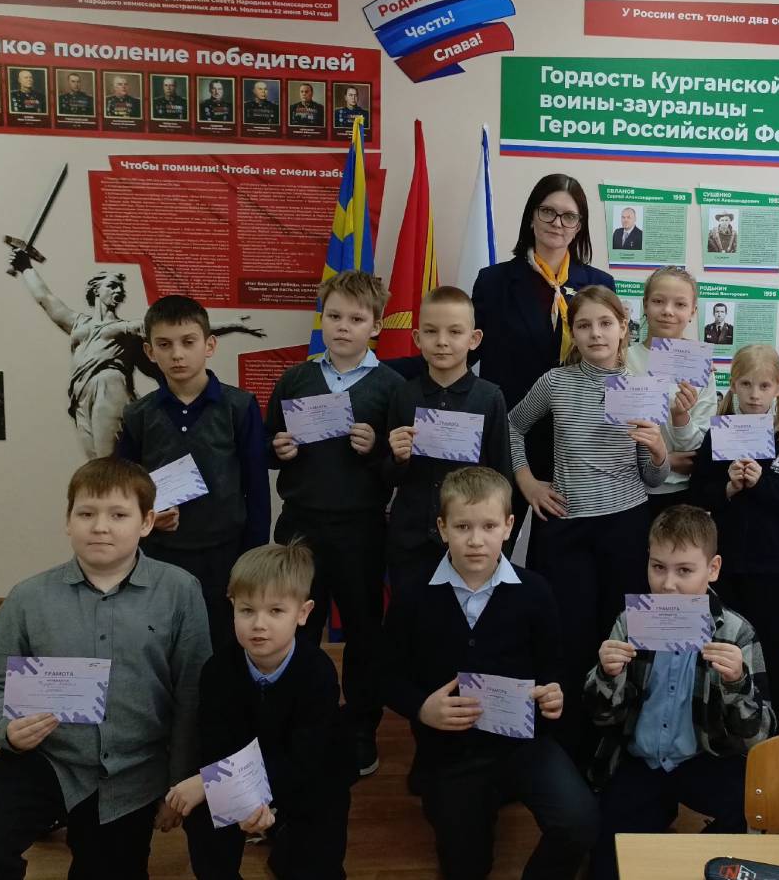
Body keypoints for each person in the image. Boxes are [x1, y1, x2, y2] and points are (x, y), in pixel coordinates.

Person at [0, 457, 212, 878]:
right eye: (86, 514)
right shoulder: (28, 598)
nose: (100, 527)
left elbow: (191, 695)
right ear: (68, 521)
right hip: (46, 759)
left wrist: (177, 783)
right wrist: (7, 729)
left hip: (133, 772)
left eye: (118, 515)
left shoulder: (180, 591)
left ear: (147, 522)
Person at [381, 466, 597, 880]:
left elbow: (555, 669)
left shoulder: (535, 591)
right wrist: (422, 708)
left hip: (523, 744)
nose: (476, 540)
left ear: (509, 526)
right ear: (442, 528)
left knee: (579, 823)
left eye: (489, 526)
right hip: (451, 751)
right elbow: (385, 676)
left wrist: (555, 694)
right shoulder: (413, 594)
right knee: (465, 866)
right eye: (463, 526)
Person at [509, 285, 670, 752]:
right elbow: (512, 426)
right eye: (584, 325)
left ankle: (620, 739)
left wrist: (659, 450)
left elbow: (653, 477)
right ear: (572, 332)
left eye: (605, 323)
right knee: (570, 637)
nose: (595, 333)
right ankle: (571, 745)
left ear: (623, 328)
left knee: (623, 634)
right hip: (567, 528)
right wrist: (527, 482)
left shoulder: (643, 387)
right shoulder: (555, 383)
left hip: (626, 524)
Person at [586, 505, 774, 880]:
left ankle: (693, 856)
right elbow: (600, 717)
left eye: (684, 571)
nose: (668, 584)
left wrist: (737, 682)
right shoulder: (630, 622)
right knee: (607, 864)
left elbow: (759, 736)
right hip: (641, 759)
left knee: (752, 815)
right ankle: (654, 821)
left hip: (705, 757)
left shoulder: (735, 632)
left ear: (713, 569)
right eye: (658, 567)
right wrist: (606, 675)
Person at [265, 270, 400, 776]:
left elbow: (399, 467)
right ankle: (300, 721)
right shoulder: (296, 379)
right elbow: (268, 445)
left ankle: (361, 728)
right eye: (335, 316)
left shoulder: (390, 386)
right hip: (300, 525)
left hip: (361, 529)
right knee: (296, 627)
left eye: (356, 319)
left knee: (364, 631)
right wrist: (279, 449)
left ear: (376, 326)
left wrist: (376, 450)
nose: (343, 327)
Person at [167, 543, 355, 878]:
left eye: (276, 611)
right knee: (203, 815)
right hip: (237, 772)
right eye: (247, 610)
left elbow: (305, 759)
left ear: (303, 613)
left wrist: (229, 788)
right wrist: (240, 797)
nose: (259, 624)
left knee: (317, 850)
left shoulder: (318, 672)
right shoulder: (217, 671)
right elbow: (216, 746)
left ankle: (286, 843)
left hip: (308, 777)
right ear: (232, 608)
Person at [116, 295, 271, 652]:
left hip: (226, 552)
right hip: (160, 552)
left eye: (188, 342)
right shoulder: (138, 414)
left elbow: (257, 489)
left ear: (209, 345)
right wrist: (147, 520)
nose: (177, 354)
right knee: (163, 640)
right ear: (149, 351)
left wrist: (253, 558)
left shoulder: (240, 406)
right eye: (164, 345)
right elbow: (125, 489)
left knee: (222, 642)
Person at [471, 173, 614, 539]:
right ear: (531, 217)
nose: (557, 223)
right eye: (548, 212)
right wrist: (379, 370)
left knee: (560, 557)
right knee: (492, 546)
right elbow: (465, 351)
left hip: (576, 443)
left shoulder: (599, 284)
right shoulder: (494, 281)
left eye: (569, 216)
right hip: (510, 437)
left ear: (579, 226)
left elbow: (613, 363)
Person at [7, 254, 264, 458]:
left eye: (120, 288)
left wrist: (232, 324)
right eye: (112, 286)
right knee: (95, 465)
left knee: (111, 464)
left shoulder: (127, 328)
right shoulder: (77, 323)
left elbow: (180, 328)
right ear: (96, 290)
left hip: (110, 387)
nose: (118, 291)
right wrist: (25, 266)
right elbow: (45, 298)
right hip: (81, 394)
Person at [689, 344, 779, 732]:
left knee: (769, 649)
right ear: (733, 385)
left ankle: (773, 732)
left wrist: (761, 483)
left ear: (778, 387)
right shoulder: (719, 432)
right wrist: (727, 488)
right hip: (725, 566)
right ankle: (725, 726)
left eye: (764, 386)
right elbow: (699, 493)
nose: (755, 395)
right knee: (725, 646)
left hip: (770, 568)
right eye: (746, 384)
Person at [381, 286, 513, 593]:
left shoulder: (489, 398)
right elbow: (386, 476)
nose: (442, 341)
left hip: (469, 543)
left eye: (454, 332)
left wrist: (498, 545)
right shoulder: (403, 395)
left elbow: (502, 476)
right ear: (417, 339)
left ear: (474, 339)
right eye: (431, 331)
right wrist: (397, 458)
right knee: (409, 615)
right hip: (410, 540)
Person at [625, 266, 716, 517]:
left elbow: (698, 448)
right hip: (629, 491)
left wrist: (680, 417)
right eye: (658, 301)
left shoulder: (700, 366)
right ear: (645, 304)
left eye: (680, 304)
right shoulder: (622, 360)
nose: (667, 311)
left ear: (693, 311)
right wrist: (665, 459)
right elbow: (611, 436)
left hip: (684, 492)